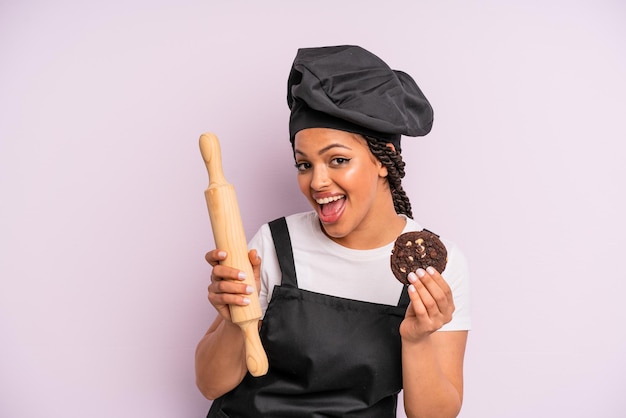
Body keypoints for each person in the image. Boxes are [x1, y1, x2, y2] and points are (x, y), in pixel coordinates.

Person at [195, 45, 471, 418]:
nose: (317, 181)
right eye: (304, 164)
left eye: (338, 160)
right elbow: (211, 384)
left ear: (383, 159)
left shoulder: (439, 269)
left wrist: (417, 339)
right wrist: (233, 320)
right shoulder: (274, 245)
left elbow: (434, 415)